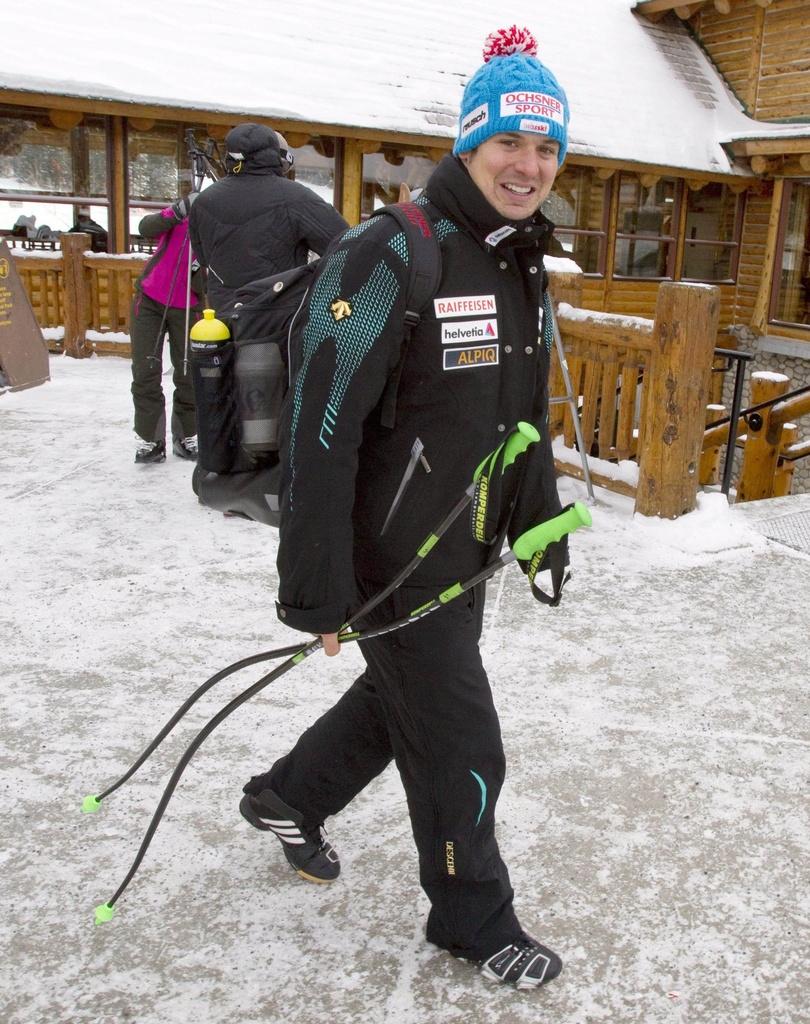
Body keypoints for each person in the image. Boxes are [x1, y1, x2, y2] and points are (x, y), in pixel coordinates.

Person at [239, 27, 572, 991]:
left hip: (460, 548)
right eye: (512, 143)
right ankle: (472, 917)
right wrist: (317, 586)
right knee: (463, 740)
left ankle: (284, 797)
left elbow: (520, 416)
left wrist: (538, 525)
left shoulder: (518, 258)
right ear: (470, 143)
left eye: (548, 149)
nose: (530, 166)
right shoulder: (395, 249)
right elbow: (319, 427)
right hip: (388, 553)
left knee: (405, 705)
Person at [188, 124, 348, 314]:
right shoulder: (296, 198)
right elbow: (345, 244)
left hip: (224, 315)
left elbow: (204, 256)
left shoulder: (204, 201)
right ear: (273, 154)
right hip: (275, 316)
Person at [130, 195, 202, 463]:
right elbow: (145, 227)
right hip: (149, 299)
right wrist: (175, 212)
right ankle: (150, 440)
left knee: (187, 374)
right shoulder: (179, 217)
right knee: (145, 371)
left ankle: (185, 436)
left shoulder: (215, 225)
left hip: (188, 304)